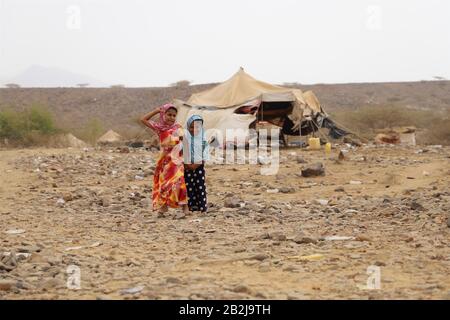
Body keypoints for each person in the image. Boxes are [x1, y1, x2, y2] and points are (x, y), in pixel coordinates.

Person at [141, 104, 188, 216]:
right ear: (163, 114)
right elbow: (143, 119)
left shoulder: (178, 127)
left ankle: (185, 206)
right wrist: (156, 110)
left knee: (180, 181)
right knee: (165, 184)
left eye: (174, 115)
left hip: (177, 160)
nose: (171, 117)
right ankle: (164, 206)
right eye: (169, 114)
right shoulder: (159, 128)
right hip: (165, 161)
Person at [183, 115, 209, 213]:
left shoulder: (203, 140)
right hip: (187, 167)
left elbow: (205, 156)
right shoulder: (185, 139)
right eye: (191, 127)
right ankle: (191, 206)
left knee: (200, 186)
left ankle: (202, 206)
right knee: (189, 186)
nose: (194, 129)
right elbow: (182, 152)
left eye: (197, 127)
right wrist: (187, 165)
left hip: (199, 167)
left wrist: (195, 165)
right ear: (188, 127)